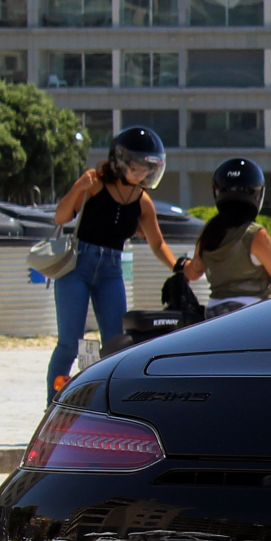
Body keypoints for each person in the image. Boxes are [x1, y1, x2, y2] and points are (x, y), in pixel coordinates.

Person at [49, 126, 177, 400]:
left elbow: (158, 244)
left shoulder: (142, 201)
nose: (143, 172)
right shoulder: (95, 183)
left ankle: (108, 403)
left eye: (148, 168)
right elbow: (60, 218)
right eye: (138, 166)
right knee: (69, 344)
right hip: (77, 267)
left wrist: (179, 268)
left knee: (116, 345)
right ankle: (52, 405)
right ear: (121, 162)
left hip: (111, 271)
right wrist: (78, 188)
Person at [181, 157, 271, 303]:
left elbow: (194, 272)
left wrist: (182, 264)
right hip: (252, 312)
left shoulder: (209, 232)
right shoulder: (254, 234)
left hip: (216, 311)